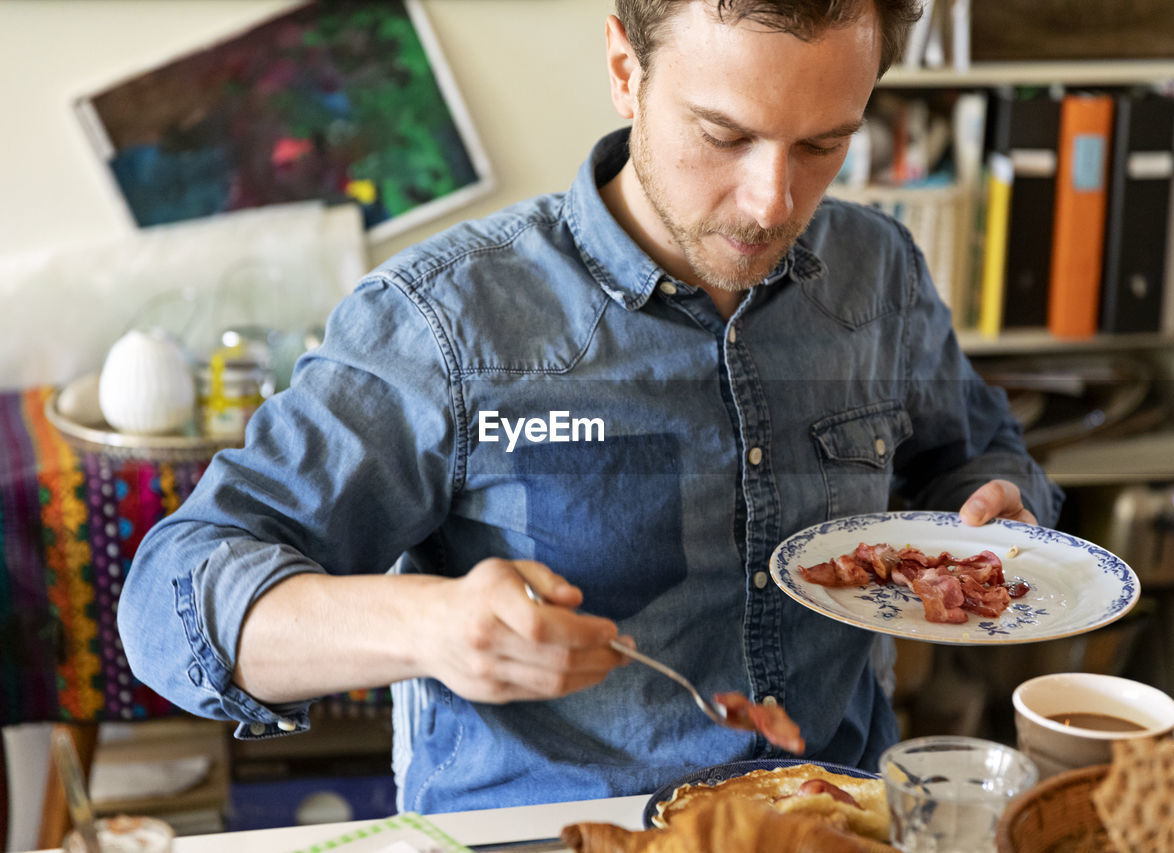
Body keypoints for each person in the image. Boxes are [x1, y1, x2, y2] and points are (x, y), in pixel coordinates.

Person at [119, 0, 1063, 815]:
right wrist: (430, 628)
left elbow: (975, 456)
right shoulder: (446, 319)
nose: (773, 201)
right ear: (625, 68)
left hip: (837, 813)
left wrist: (997, 506)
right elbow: (169, 601)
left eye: (823, 143)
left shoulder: (879, 269)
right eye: (724, 136)